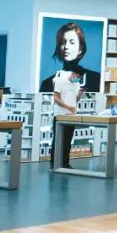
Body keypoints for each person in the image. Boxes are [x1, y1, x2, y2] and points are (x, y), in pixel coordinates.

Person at [41, 23, 100, 169]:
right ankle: (55, 163)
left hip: (71, 115)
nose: (66, 46)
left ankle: (65, 163)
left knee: (68, 140)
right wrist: (68, 106)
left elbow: (74, 98)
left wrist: (79, 95)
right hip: (60, 115)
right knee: (58, 140)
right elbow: (56, 98)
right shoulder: (57, 79)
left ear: (80, 48)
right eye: (63, 42)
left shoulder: (81, 81)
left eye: (72, 42)